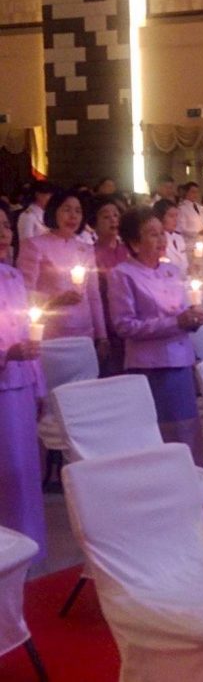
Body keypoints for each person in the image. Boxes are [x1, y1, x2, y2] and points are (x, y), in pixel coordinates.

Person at [108, 206, 203, 464]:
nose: (162, 239)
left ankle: (195, 476)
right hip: (152, 365)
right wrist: (175, 322)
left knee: (189, 429)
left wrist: (194, 319)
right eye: (152, 234)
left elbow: (182, 310)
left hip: (182, 360)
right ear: (134, 243)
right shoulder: (122, 274)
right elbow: (124, 326)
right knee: (166, 434)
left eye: (162, 233)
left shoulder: (171, 270)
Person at [0, 201, 47, 561]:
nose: (3, 233)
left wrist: (38, 383)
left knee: (26, 469)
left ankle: (30, 548)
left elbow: (27, 331)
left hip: (21, 384)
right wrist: (6, 355)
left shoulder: (14, 277)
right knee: (8, 469)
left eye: (5, 225)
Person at [17, 189, 108, 356]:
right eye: (67, 210)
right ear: (54, 211)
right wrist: (54, 300)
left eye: (78, 211)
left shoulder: (86, 249)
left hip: (84, 332)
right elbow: (24, 291)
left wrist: (102, 336)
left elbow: (93, 295)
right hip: (50, 332)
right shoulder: (35, 245)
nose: (73, 216)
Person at [90, 195, 129, 376]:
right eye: (106, 216)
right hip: (107, 322)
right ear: (94, 224)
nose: (113, 220)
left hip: (132, 321)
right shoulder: (90, 253)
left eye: (116, 215)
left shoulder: (129, 250)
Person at [154, 199, 189, 276]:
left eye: (176, 216)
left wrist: (189, 269)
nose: (176, 219)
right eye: (171, 216)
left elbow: (184, 263)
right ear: (160, 218)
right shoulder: (156, 242)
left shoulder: (179, 237)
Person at [16, 180, 55, 248]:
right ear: (38, 195)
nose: (51, 199)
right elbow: (27, 244)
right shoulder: (27, 216)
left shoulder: (47, 214)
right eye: (48, 195)